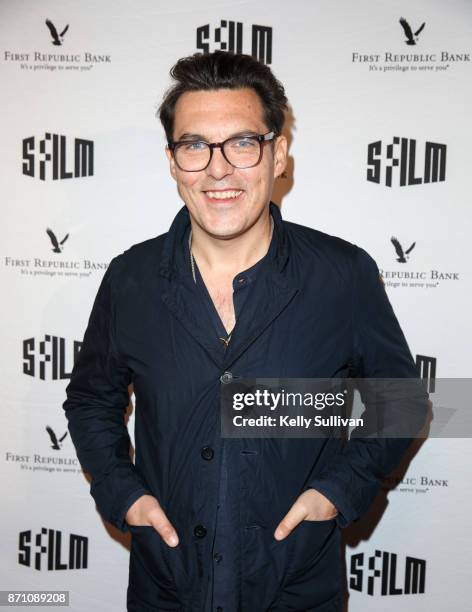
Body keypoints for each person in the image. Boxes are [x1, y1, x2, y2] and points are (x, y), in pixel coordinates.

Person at [63, 51, 427, 611]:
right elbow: (90, 399)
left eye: (242, 143)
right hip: (167, 586)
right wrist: (122, 492)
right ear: (172, 160)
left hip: (294, 587)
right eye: (194, 146)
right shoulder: (129, 278)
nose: (217, 169)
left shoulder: (342, 275)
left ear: (278, 154)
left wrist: (337, 491)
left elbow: (402, 403)